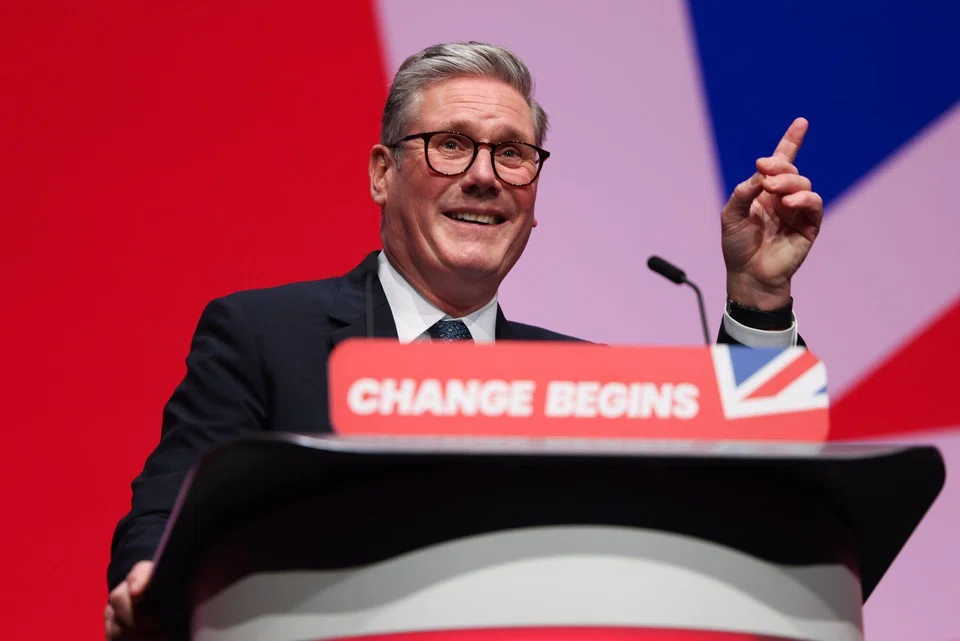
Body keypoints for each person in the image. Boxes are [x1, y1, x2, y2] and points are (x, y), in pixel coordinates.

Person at [104, 41, 823, 640]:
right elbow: (167, 515)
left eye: (512, 154)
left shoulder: (585, 380)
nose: (484, 176)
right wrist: (154, 585)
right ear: (383, 174)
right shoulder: (262, 336)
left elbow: (746, 502)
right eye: (451, 145)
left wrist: (759, 297)